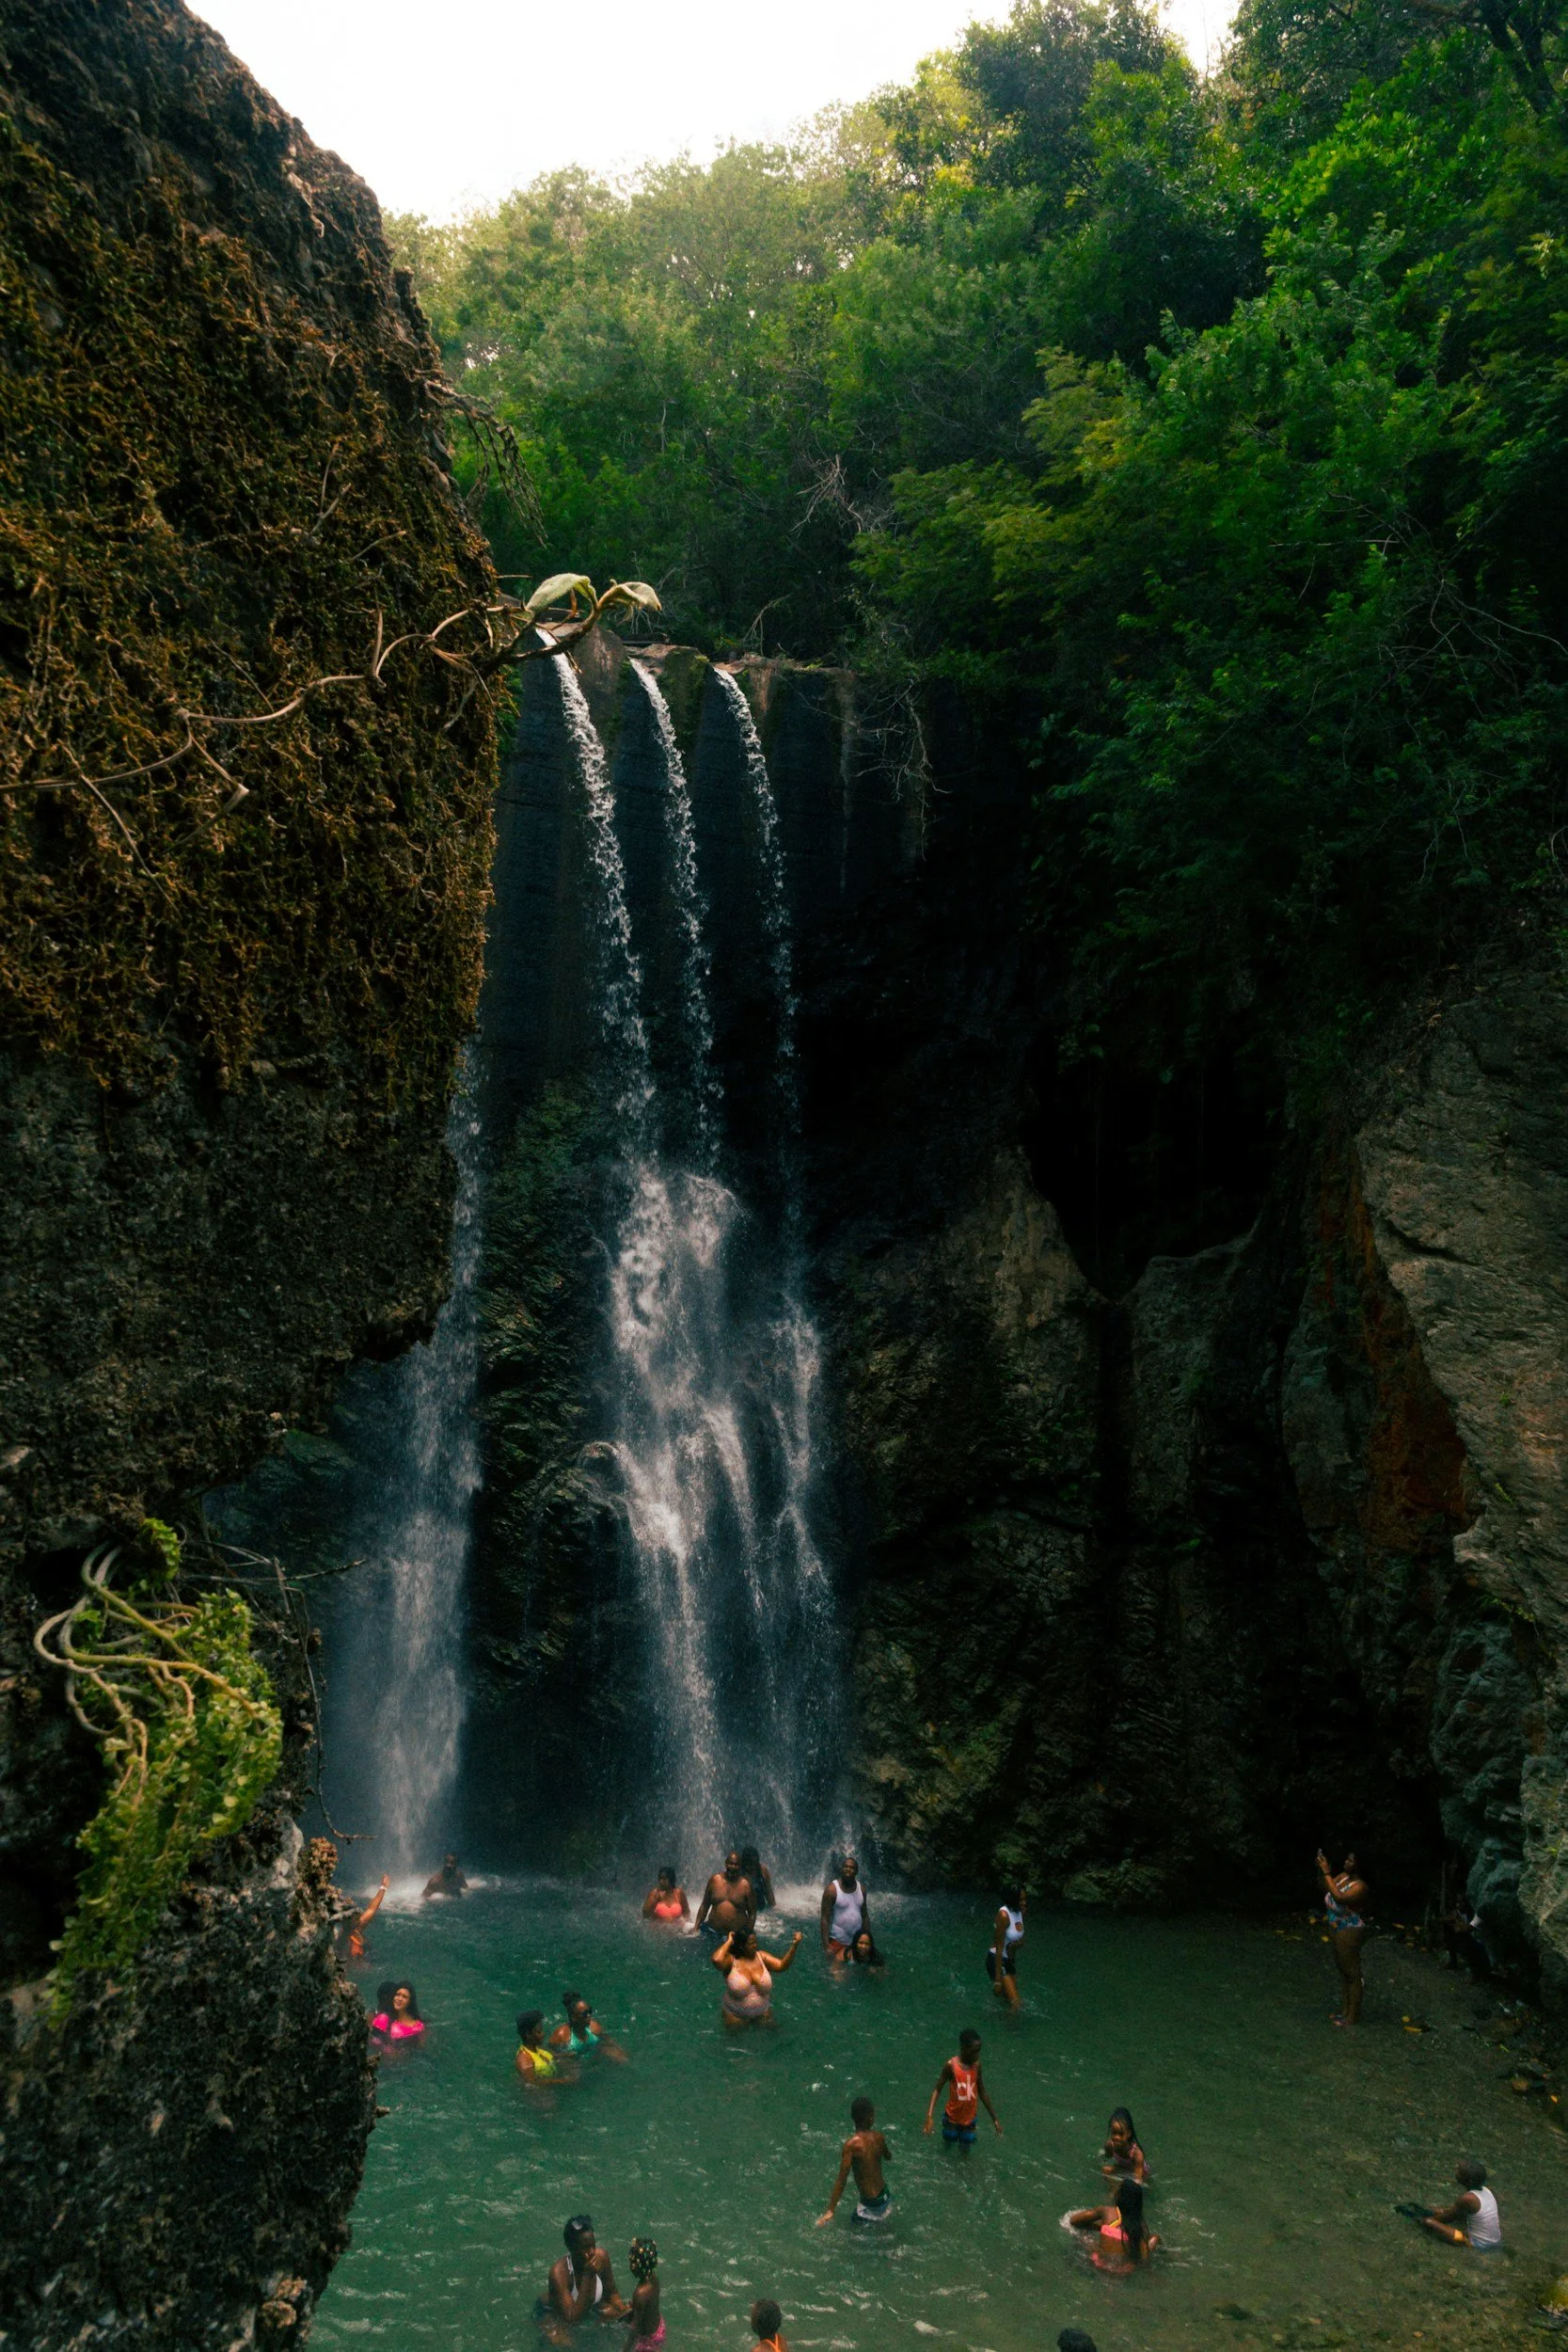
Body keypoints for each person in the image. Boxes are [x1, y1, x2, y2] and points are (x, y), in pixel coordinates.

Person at [542, 2214, 627, 2340]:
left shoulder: (602, 2257)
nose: (592, 2251)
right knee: (564, 2344)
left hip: (590, 2309)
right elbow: (572, 2320)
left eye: (593, 2245)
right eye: (586, 2247)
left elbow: (612, 2294)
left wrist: (623, 2311)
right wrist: (588, 2275)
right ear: (571, 2248)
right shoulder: (559, 2273)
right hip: (553, 2312)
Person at [817, 2093, 894, 2225]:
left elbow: (842, 2179)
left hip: (870, 2205)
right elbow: (888, 2156)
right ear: (871, 2118)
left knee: (853, 2227)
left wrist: (831, 2209)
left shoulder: (851, 2146)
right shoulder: (879, 2137)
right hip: (885, 2198)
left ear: (852, 2117)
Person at [1316, 1849, 1369, 2025]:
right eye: (1346, 1859)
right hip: (1336, 1926)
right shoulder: (1343, 1877)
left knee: (1352, 1973)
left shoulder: (1360, 1886)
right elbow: (1327, 1888)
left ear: (1360, 1865)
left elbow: (1339, 1897)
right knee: (1343, 1970)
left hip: (1350, 1928)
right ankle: (1345, 2011)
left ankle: (1353, 2016)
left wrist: (1326, 1872)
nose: (1346, 1863)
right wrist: (1322, 1870)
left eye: (1351, 1861)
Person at [713, 1922, 802, 2025]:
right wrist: (729, 1941)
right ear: (741, 1946)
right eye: (751, 1944)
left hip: (763, 2013)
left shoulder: (762, 1957)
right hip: (734, 2016)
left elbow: (782, 1966)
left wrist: (794, 1946)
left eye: (755, 1942)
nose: (755, 1946)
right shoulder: (731, 1961)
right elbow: (716, 1960)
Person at [924, 2027, 1001, 2144]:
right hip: (952, 2118)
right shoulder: (951, 2066)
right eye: (974, 2051)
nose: (977, 2055)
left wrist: (994, 2119)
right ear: (963, 2048)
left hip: (969, 2119)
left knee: (967, 2142)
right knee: (949, 2140)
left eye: (978, 2051)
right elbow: (937, 2089)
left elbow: (982, 2092)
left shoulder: (977, 2067)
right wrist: (929, 2116)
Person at [1069, 2177, 1159, 2271]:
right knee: (1155, 2238)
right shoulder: (1140, 2226)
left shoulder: (1106, 2211)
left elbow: (1074, 2220)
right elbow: (1144, 2260)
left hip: (1098, 2263)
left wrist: (1101, 2227)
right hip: (1123, 2271)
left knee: (1085, 2234)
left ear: (1120, 2196)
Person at [1418, 2158, 1502, 2249]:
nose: (1456, 2172)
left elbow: (1447, 2218)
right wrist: (1439, 2211)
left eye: (1459, 2171)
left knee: (1429, 2222)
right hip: (1495, 2241)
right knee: (1449, 2214)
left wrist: (1423, 2219)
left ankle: (1466, 2243)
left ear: (1469, 2181)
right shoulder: (1487, 2191)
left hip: (1479, 2245)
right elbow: (1457, 2211)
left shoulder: (1468, 2199)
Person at [550, 1990, 628, 2063]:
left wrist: (620, 2052)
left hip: (594, 2056)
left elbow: (608, 2041)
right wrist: (564, 2056)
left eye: (589, 2011)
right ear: (573, 2017)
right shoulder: (561, 2035)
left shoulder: (594, 2027)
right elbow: (550, 2054)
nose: (588, 2015)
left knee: (621, 2060)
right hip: (575, 2062)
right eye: (584, 2014)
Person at [821, 1853, 870, 1960]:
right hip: (837, 1942)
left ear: (856, 1872)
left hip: (857, 1945)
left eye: (852, 1867)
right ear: (841, 1869)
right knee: (837, 1974)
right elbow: (825, 1919)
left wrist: (868, 1942)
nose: (848, 1869)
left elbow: (865, 1916)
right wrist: (826, 1947)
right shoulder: (832, 1890)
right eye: (845, 1867)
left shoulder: (861, 1889)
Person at [694, 1851, 754, 1936]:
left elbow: (752, 1913)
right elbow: (705, 1905)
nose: (733, 1867)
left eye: (736, 1864)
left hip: (736, 1935)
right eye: (730, 1863)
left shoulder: (746, 1886)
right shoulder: (714, 1881)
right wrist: (696, 1928)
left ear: (740, 1866)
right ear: (726, 1864)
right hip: (712, 1932)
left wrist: (747, 1934)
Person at [987, 1885, 1026, 2007]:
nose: (1024, 1903)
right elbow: (999, 1946)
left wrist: (1018, 1944)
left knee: (1008, 2001)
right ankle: (1011, 2024)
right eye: (1020, 1900)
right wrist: (998, 1980)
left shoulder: (1020, 1912)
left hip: (1009, 1960)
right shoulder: (1004, 1915)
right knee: (1016, 2004)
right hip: (997, 1960)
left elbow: (1018, 1938)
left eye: (1025, 1899)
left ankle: (997, 2020)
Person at [624, 2237, 663, 2349]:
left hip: (649, 2341)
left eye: (631, 2262)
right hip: (659, 2329)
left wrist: (626, 2349)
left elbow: (635, 2328)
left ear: (636, 2266)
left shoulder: (640, 2293)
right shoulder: (654, 2278)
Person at [516, 2008, 566, 2084]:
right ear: (528, 2034)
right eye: (539, 2032)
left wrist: (566, 2055)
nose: (543, 2034)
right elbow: (532, 2084)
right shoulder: (524, 2061)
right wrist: (561, 2081)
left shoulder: (537, 2049)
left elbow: (552, 2057)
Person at [347, 1873, 389, 1962]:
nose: (359, 1918)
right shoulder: (345, 1934)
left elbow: (372, 1909)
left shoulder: (357, 1927)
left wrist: (383, 1887)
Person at [1101, 2107, 1148, 2183]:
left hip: (1140, 2174)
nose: (1117, 2137)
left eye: (1121, 2134)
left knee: (1130, 2184)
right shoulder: (1110, 2145)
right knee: (1105, 2170)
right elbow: (1107, 2158)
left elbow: (1138, 2178)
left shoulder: (1136, 2154)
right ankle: (1113, 2187)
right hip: (1123, 2169)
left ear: (1129, 2134)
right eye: (1114, 2133)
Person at [738, 1844, 776, 1910]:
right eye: (749, 1864)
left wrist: (773, 1908)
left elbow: (769, 1893)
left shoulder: (763, 1871)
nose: (752, 1866)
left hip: (760, 1907)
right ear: (743, 1863)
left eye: (754, 1863)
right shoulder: (738, 1873)